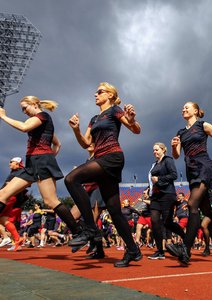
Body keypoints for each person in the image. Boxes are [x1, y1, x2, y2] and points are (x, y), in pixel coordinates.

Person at [0, 96, 81, 249]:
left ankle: (78, 231)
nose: (24, 112)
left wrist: (3, 116)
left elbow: (24, 127)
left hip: (41, 161)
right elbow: (57, 144)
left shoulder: (43, 116)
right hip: (32, 164)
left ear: (34, 104)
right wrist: (49, 156)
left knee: (51, 201)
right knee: (2, 195)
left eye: (25, 108)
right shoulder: (40, 124)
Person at [65, 82, 142, 268]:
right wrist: (76, 129)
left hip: (112, 158)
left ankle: (91, 229)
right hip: (100, 159)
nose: (95, 94)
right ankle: (133, 249)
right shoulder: (94, 118)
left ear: (109, 95)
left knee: (71, 179)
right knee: (115, 211)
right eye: (96, 92)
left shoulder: (115, 110)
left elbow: (136, 129)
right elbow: (86, 144)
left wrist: (132, 118)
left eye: (99, 92)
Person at [166, 101, 212, 265]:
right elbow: (177, 155)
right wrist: (173, 147)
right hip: (191, 171)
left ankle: (186, 250)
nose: (183, 108)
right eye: (182, 107)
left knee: (192, 204)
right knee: (207, 209)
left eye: (187, 106)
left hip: (204, 167)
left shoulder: (203, 125)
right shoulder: (180, 132)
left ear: (196, 111)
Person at [147, 142, 186, 259]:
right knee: (154, 221)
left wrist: (159, 179)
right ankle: (160, 251)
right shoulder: (154, 164)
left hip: (167, 195)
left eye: (157, 150)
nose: (155, 152)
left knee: (167, 223)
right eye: (153, 150)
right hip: (155, 196)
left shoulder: (168, 160)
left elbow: (174, 175)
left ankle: (185, 237)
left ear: (163, 150)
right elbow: (152, 181)